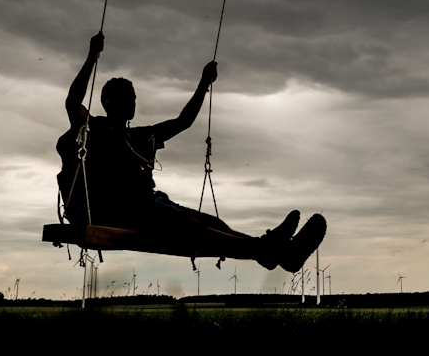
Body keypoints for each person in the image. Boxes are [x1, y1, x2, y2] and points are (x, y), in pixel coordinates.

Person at [56, 32, 325, 272]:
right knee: (189, 227)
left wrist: (203, 84)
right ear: (107, 101)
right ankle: (272, 250)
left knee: (212, 222)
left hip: (149, 204)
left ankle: (272, 252)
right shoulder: (94, 129)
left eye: (134, 97)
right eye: (127, 96)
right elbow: (73, 102)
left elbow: (183, 122)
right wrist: (92, 57)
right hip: (117, 210)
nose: (133, 102)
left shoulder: (140, 136)